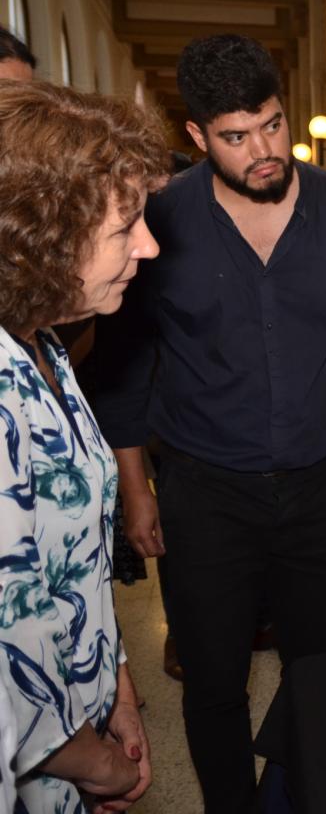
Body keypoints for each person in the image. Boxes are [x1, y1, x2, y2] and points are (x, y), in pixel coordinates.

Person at [93, 33, 326, 812]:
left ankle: (289, 799)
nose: (263, 150)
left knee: (315, 675)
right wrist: (137, 489)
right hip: (202, 493)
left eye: (271, 124)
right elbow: (126, 361)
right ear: (196, 136)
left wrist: (311, 384)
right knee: (213, 681)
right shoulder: (162, 220)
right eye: (236, 136)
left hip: (316, 490)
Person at [0, 81, 167, 812]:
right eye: (126, 225)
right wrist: (101, 765)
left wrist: (121, 693)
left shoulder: (45, 347)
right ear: (43, 237)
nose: (150, 245)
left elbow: (77, 570)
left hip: (88, 717)